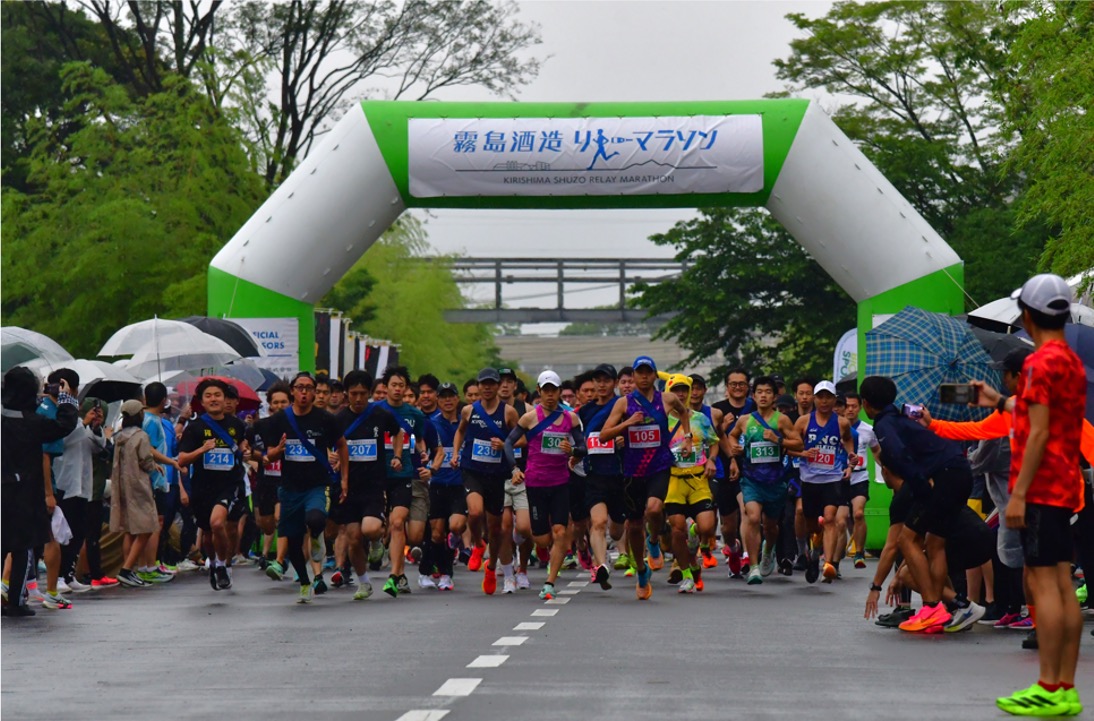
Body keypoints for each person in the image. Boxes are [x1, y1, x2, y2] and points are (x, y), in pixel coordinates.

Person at [972, 274, 1085, 716]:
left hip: (1039, 488)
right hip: (1064, 485)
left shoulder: (1039, 363)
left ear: (1028, 314)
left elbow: (1036, 432)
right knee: (1059, 582)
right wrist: (999, 401)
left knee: (1046, 586)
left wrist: (1017, 495)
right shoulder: (1068, 361)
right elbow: (1039, 412)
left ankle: (1049, 687)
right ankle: (1064, 688)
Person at [859, 375, 971, 632]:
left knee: (906, 540)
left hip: (944, 475)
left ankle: (932, 607)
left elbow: (899, 457)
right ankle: (947, 608)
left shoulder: (885, 425)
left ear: (866, 403)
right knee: (934, 541)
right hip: (959, 470)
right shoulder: (900, 419)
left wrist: (922, 487)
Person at [600, 355, 691, 600]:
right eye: (638, 372)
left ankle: (654, 540)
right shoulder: (623, 404)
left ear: (654, 375)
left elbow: (685, 413)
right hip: (632, 471)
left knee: (654, 508)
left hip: (659, 466)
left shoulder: (668, 399)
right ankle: (641, 570)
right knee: (635, 525)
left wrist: (688, 438)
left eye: (647, 372)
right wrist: (628, 423)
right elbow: (604, 436)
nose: (643, 376)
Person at [262, 372, 349, 604]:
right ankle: (303, 581)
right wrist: (276, 452)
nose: (304, 392)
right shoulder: (280, 419)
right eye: (300, 387)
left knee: (316, 518)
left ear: (314, 392)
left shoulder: (324, 419)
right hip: (290, 488)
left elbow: (342, 445)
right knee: (292, 539)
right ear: (292, 390)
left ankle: (318, 538)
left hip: (316, 485)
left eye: (309, 388)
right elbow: (268, 455)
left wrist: (344, 479)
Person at [2, 368, 78, 617]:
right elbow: (64, 425)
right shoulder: (31, 422)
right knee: (22, 547)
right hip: (24, 491)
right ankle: (16, 601)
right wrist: (66, 398)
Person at [506, 370, 586, 600]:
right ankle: (539, 545)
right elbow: (509, 444)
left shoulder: (571, 419)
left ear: (560, 392)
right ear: (539, 392)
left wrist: (573, 451)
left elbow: (583, 447)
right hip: (535, 484)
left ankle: (550, 583)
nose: (550, 395)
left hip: (561, 482)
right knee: (541, 537)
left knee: (561, 531)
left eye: (554, 390)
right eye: (546, 390)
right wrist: (515, 469)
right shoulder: (529, 418)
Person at [725, 375, 803, 585]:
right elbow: (732, 436)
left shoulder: (782, 420)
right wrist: (736, 448)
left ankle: (769, 548)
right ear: (754, 395)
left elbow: (799, 444)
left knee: (770, 526)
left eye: (768, 392)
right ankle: (753, 566)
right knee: (752, 517)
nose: (763, 396)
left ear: (774, 396)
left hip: (776, 481)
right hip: (751, 480)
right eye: (759, 392)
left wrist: (777, 439)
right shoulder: (745, 420)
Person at [333, 370, 403, 600]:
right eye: (354, 393)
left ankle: (376, 542)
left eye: (363, 393)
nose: (359, 398)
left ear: (370, 393)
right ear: (346, 394)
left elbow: (398, 433)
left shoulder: (380, 415)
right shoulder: (339, 419)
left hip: (374, 485)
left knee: (370, 529)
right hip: (348, 487)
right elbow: (326, 443)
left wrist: (397, 456)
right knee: (353, 538)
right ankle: (363, 582)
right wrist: (331, 457)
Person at [451, 367, 520, 594]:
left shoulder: (509, 412)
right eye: (484, 384)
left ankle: (491, 568)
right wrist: (454, 453)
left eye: (492, 384)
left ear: (498, 386)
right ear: (478, 386)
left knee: (496, 528)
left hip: (496, 475)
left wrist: (505, 445)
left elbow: (524, 440)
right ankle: (478, 545)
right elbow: (460, 432)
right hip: (472, 470)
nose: (488, 388)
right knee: (475, 512)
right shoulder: (469, 411)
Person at [177, 378, 248, 591]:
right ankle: (215, 563)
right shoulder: (195, 428)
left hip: (229, 484)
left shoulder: (237, 425)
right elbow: (181, 460)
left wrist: (246, 451)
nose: (214, 399)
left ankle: (223, 565)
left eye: (217, 395)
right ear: (201, 401)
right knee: (207, 533)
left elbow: (244, 447)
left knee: (218, 523)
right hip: (202, 487)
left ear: (225, 398)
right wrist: (202, 450)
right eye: (208, 396)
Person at [792, 380, 858, 584]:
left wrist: (850, 455)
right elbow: (789, 447)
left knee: (830, 519)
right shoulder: (803, 422)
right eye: (820, 397)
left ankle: (828, 564)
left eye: (828, 397)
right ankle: (814, 549)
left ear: (834, 399)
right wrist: (803, 452)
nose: (824, 401)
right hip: (809, 480)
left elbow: (847, 439)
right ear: (814, 399)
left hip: (832, 478)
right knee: (813, 524)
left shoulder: (841, 423)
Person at [376, 366, 432, 596]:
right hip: (377, 475)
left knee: (398, 522)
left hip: (403, 475)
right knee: (377, 528)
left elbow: (419, 439)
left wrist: (423, 453)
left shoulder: (415, 414)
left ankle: (396, 574)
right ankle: (379, 551)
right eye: (393, 385)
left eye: (402, 386)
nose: (397, 389)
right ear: (386, 387)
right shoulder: (375, 411)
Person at [663, 374, 720, 593]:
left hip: (698, 480)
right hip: (673, 481)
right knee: (677, 530)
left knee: (706, 526)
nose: (680, 394)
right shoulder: (662, 419)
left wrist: (712, 461)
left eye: (684, 390)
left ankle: (695, 537)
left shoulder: (700, 419)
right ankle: (687, 572)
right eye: (676, 390)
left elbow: (713, 442)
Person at [53, 396, 108, 593]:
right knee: (62, 533)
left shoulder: (82, 426)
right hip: (65, 482)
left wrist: (94, 427)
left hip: (83, 485)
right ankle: (57, 576)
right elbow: (62, 442)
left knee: (78, 532)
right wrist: (82, 424)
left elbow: (97, 446)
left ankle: (69, 574)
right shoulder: (63, 423)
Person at [580, 363, 625, 589]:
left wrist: (623, 440)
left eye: (606, 380)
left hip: (619, 475)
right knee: (597, 522)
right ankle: (601, 566)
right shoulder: (585, 412)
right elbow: (579, 440)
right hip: (594, 475)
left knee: (616, 529)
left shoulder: (623, 406)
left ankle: (614, 546)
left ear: (615, 383)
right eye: (598, 380)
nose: (601, 385)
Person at [110, 400, 163, 588]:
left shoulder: (118, 436)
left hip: (121, 485)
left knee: (129, 530)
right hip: (138, 485)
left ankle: (129, 570)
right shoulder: (141, 436)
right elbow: (146, 461)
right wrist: (154, 466)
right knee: (147, 527)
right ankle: (126, 570)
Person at [712, 367, 755, 577]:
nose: (737, 388)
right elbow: (709, 438)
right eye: (733, 384)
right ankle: (734, 549)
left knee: (747, 509)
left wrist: (743, 448)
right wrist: (722, 428)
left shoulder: (755, 408)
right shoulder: (717, 410)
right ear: (727, 388)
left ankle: (748, 555)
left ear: (748, 387)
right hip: (724, 470)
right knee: (728, 527)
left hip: (750, 468)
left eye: (742, 384)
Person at [428, 383, 467, 591]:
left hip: (459, 483)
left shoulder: (465, 423)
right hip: (436, 484)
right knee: (436, 534)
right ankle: (445, 573)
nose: (447, 400)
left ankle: (458, 541)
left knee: (456, 525)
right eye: (443, 397)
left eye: (451, 396)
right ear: (438, 400)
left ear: (457, 398)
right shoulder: (431, 424)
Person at [687, 373, 724, 569]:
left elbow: (720, 440)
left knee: (709, 516)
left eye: (698, 388)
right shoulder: (671, 415)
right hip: (680, 474)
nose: (694, 392)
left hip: (707, 472)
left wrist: (725, 460)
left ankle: (704, 543)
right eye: (690, 388)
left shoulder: (713, 414)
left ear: (704, 390)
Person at [843, 392, 880, 569]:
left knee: (858, 513)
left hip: (860, 476)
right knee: (844, 518)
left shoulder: (868, 430)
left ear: (860, 408)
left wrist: (886, 468)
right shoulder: (835, 427)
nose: (850, 409)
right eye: (847, 406)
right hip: (840, 478)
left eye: (854, 406)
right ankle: (835, 553)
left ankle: (859, 552)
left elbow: (876, 452)